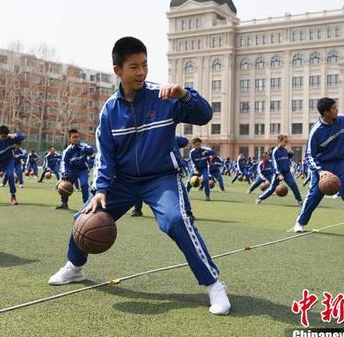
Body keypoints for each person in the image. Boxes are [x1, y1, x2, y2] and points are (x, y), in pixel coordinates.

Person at [48, 37, 230, 315]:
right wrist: (101, 190)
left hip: (161, 178)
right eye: (134, 67)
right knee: (82, 219)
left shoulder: (164, 96)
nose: (142, 72)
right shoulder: (110, 110)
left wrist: (185, 94)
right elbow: (105, 155)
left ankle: (213, 284)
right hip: (123, 181)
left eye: (145, 65)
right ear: (118, 70)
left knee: (176, 220)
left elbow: (204, 115)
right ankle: (75, 268)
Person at [294, 97, 344, 238]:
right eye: (334, 108)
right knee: (315, 194)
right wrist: (321, 172)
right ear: (326, 112)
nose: (337, 110)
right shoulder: (316, 131)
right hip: (323, 166)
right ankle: (300, 222)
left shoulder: (342, 120)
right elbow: (309, 156)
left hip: (341, 162)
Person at [131, 135, 190, 217]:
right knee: (139, 187)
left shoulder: (169, 136)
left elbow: (184, 141)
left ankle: (187, 211)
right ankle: (137, 209)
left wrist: (170, 132)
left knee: (180, 189)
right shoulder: (143, 138)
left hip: (167, 170)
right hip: (148, 168)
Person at [256, 135, 303, 206]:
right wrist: (279, 174)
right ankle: (260, 198)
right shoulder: (275, 151)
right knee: (272, 188)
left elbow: (286, 161)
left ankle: (300, 201)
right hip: (278, 173)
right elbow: (275, 164)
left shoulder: (285, 150)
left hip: (287, 172)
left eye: (286, 142)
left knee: (293, 185)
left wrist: (289, 159)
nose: (286, 143)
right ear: (280, 141)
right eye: (285, 142)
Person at [56, 129, 94, 210]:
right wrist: (64, 174)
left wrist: (81, 148)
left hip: (82, 170)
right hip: (71, 170)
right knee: (64, 186)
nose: (76, 139)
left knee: (84, 185)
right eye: (74, 137)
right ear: (69, 138)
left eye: (77, 137)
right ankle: (64, 203)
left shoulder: (83, 145)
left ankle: (86, 206)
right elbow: (64, 163)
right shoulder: (67, 150)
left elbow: (91, 150)